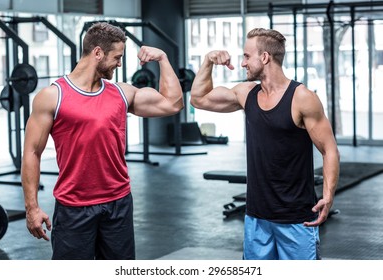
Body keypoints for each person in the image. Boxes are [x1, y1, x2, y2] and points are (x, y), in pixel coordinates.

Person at [21, 22, 183, 260]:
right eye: (117, 57)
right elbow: (32, 152)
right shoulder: (53, 96)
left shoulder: (121, 93)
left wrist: (163, 59)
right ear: (97, 53)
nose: (120, 63)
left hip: (118, 204)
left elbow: (173, 103)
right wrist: (31, 208)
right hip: (74, 207)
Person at [190, 28, 340, 260]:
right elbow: (199, 99)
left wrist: (328, 197)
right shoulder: (246, 93)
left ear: (265, 57)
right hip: (257, 217)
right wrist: (208, 61)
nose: (242, 63)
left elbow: (329, 150)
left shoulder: (302, 97)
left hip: (297, 218)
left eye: (246, 56)